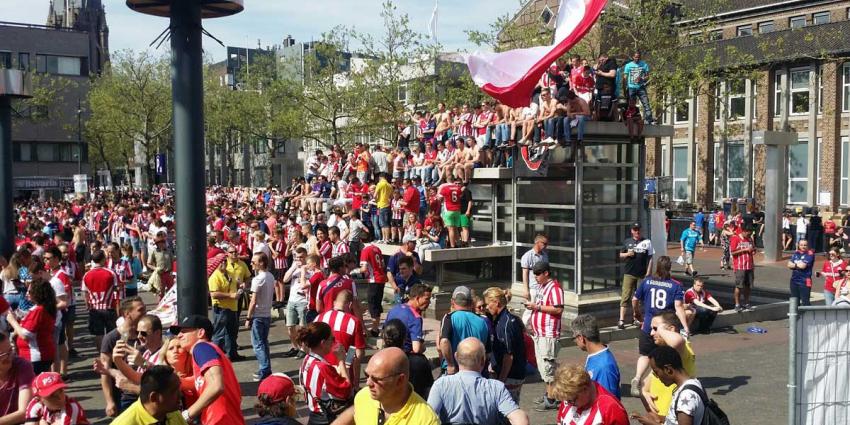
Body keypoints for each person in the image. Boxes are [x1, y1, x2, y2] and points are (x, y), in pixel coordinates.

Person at [428, 337, 529, 425]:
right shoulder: (496, 387)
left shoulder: (441, 384)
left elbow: (428, 417)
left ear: (456, 356)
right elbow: (521, 419)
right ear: (483, 360)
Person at [630, 256, 690, 398]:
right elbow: (678, 307)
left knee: (645, 354)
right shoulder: (675, 285)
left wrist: (636, 313)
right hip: (664, 328)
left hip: (648, 325)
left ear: (657, 266)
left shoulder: (647, 281)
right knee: (662, 358)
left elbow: (634, 299)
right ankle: (653, 384)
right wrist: (685, 327)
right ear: (669, 268)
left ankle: (637, 377)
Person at [332, 347, 439, 425]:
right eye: (367, 375)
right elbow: (357, 410)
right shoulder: (364, 396)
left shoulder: (426, 420)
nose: (368, 383)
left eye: (376, 379)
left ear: (400, 380)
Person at [175, 315, 244, 425]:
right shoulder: (207, 350)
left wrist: (187, 415)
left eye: (184, 331)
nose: (179, 335)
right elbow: (201, 382)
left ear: (200, 333)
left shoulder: (201, 348)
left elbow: (216, 386)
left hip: (221, 421)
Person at [639, 312, 697, 421]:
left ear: (671, 329)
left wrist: (661, 329)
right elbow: (646, 383)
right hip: (660, 419)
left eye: (655, 328)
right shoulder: (663, 355)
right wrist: (644, 392)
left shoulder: (681, 351)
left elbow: (677, 341)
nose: (651, 333)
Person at [295, 321, 353, 425]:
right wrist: (341, 360)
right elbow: (346, 391)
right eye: (332, 339)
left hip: (313, 414)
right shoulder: (323, 367)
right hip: (325, 417)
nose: (334, 342)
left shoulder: (307, 359)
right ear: (323, 343)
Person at [525, 262, 564, 411]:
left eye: (538, 273)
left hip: (548, 335)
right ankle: (549, 394)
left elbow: (558, 309)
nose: (535, 276)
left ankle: (552, 399)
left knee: (549, 368)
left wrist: (537, 307)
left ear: (546, 273)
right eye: (534, 273)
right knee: (543, 368)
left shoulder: (555, 288)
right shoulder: (542, 287)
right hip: (539, 334)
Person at [97, 296, 146, 417]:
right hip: (124, 396)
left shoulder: (146, 335)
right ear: (127, 314)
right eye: (141, 310)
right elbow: (105, 372)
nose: (145, 312)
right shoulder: (111, 338)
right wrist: (109, 401)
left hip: (145, 392)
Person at [632, 346, 705, 425]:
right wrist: (657, 417)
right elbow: (675, 419)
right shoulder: (695, 383)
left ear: (668, 369)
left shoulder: (686, 395)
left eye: (656, 372)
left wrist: (650, 423)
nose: (657, 377)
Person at [482, 287, 526, 402]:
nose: (486, 307)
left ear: (496, 302)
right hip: (514, 373)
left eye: (488, 304)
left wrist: (501, 380)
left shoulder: (505, 324)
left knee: (507, 410)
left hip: (510, 376)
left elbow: (508, 355)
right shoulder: (506, 319)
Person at [550, 363, 629, 425]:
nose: (570, 405)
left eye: (572, 400)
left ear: (584, 389)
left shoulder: (610, 409)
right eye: (566, 401)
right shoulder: (569, 395)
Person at [316, 289, 367, 386]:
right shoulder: (354, 321)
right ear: (350, 305)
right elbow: (358, 354)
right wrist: (347, 363)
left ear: (334, 302)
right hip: (343, 373)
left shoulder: (318, 318)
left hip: (320, 371)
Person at [7, 279, 57, 374]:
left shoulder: (39, 311)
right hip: (39, 355)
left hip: (36, 356)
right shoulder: (41, 308)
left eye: (29, 291)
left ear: (38, 293)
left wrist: (12, 321)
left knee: (33, 386)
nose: (27, 293)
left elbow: (26, 334)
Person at [438, 286, 490, 375]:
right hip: (476, 372)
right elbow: (487, 352)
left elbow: (444, 341)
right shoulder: (483, 321)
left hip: (454, 372)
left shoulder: (449, 318)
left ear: (452, 302)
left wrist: (450, 365)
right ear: (471, 303)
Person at [111, 366, 187, 425]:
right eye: (174, 391)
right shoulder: (124, 423)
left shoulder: (172, 412)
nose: (180, 394)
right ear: (154, 397)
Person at [570, 314, 620, 399]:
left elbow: (606, 402)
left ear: (581, 338)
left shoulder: (604, 367)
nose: (575, 341)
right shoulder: (595, 356)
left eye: (574, 338)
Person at [619, 223, 654, 329]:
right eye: (635, 229)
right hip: (629, 273)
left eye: (638, 229)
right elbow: (620, 255)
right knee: (625, 296)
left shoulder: (647, 242)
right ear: (632, 231)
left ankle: (635, 318)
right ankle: (621, 320)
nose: (637, 231)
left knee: (638, 298)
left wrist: (649, 272)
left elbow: (651, 257)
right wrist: (627, 254)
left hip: (642, 275)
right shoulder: (627, 241)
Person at [208, 253, 243, 361]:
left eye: (224, 261)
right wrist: (230, 295)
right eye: (221, 262)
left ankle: (232, 354)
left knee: (232, 332)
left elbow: (234, 284)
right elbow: (213, 294)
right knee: (219, 333)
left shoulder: (229, 273)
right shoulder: (215, 276)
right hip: (221, 308)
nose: (223, 263)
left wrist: (239, 286)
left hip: (232, 307)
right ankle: (214, 357)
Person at [81, 250, 118, 351]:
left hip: (94, 309)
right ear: (103, 259)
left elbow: (85, 293)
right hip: (109, 307)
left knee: (98, 334)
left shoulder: (87, 275)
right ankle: (112, 356)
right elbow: (116, 289)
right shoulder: (110, 273)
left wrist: (87, 304)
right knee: (112, 334)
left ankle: (102, 354)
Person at [247, 252, 275, 381]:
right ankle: (265, 368)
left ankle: (264, 369)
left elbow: (253, 301)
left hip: (258, 315)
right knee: (263, 343)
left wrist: (248, 318)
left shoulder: (258, 279)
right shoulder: (270, 276)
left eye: (254, 262)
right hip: (267, 314)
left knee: (258, 344)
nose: (252, 264)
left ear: (261, 263)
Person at [385, 283, 432, 354]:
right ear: (417, 298)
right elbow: (416, 349)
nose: (429, 302)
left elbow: (384, 333)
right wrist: (423, 347)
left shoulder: (393, 309)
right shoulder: (416, 318)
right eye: (427, 299)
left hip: (388, 352)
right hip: (404, 357)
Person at [24, 372, 88, 424]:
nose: (60, 398)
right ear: (39, 398)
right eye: (52, 395)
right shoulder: (35, 404)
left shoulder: (72, 407)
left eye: (61, 391)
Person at [0, 331, 35, 424]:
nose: (10, 357)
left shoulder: (22, 366)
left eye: (10, 350)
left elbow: (24, 412)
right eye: (3, 355)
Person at [282, 248, 310, 357]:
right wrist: (294, 266)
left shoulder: (309, 268)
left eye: (301, 257)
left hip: (303, 301)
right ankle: (294, 347)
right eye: (297, 257)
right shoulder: (294, 267)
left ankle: (303, 348)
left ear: (306, 256)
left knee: (303, 327)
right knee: (290, 326)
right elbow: (285, 279)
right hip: (291, 300)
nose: (299, 259)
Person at [359, 242, 388, 337]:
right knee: (377, 304)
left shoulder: (365, 250)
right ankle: (376, 328)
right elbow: (383, 265)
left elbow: (364, 268)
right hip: (381, 279)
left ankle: (375, 329)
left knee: (373, 305)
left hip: (374, 280)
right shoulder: (377, 249)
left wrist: (355, 271)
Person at [520, 234, 548, 324]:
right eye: (544, 243)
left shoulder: (544, 256)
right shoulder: (528, 256)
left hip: (543, 287)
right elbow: (525, 273)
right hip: (533, 288)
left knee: (540, 308)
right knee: (529, 309)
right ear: (538, 243)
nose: (546, 246)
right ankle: (523, 328)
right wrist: (525, 290)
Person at [730, 225, 756, 312]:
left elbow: (753, 249)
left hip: (749, 266)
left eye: (751, 234)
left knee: (748, 286)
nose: (750, 235)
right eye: (749, 233)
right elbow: (733, 252)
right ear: (744, 231)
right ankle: (737, 304)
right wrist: (744, 250)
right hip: (740, 266)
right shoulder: (736, 238)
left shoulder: (750, 239)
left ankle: (746, 303)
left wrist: (753, 250)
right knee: (739, 286)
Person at [623, 51, 653, 124]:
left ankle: (649, 119)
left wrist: (642, 78)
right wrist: (624, 87)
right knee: (630, 104)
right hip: (631, 87)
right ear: (633, 57)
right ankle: (630, 118)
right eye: (636, 57)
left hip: (641, 87)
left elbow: (647, 76)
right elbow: (625, 77)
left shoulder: (644, 65)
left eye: (638, 57)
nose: (637, 58)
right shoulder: (628, 65)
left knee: (646, 103)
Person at [438, 175, 464, 248]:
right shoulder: (458, 188)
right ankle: (458, 243)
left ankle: (452, 245)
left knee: (450, 229)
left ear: (447, 180)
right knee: (456, 228)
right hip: (457, 210)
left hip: (449, 209)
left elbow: (440, 198)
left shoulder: (445, 188)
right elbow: (461, 196)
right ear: (453, 180)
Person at [788, 239, 815, 306]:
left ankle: (807, 316)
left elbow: (803, 266)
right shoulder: (796, 253)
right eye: (801, 245)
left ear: (807, 246)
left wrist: (794, 265)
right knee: (794, 301)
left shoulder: (810, 254)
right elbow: (788, 265)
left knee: (805, 301)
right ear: (798, 245)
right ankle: (796, 316)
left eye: (805, 245)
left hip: (805, 281)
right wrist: (798, 265)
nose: (803, 246)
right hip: (794, 280)